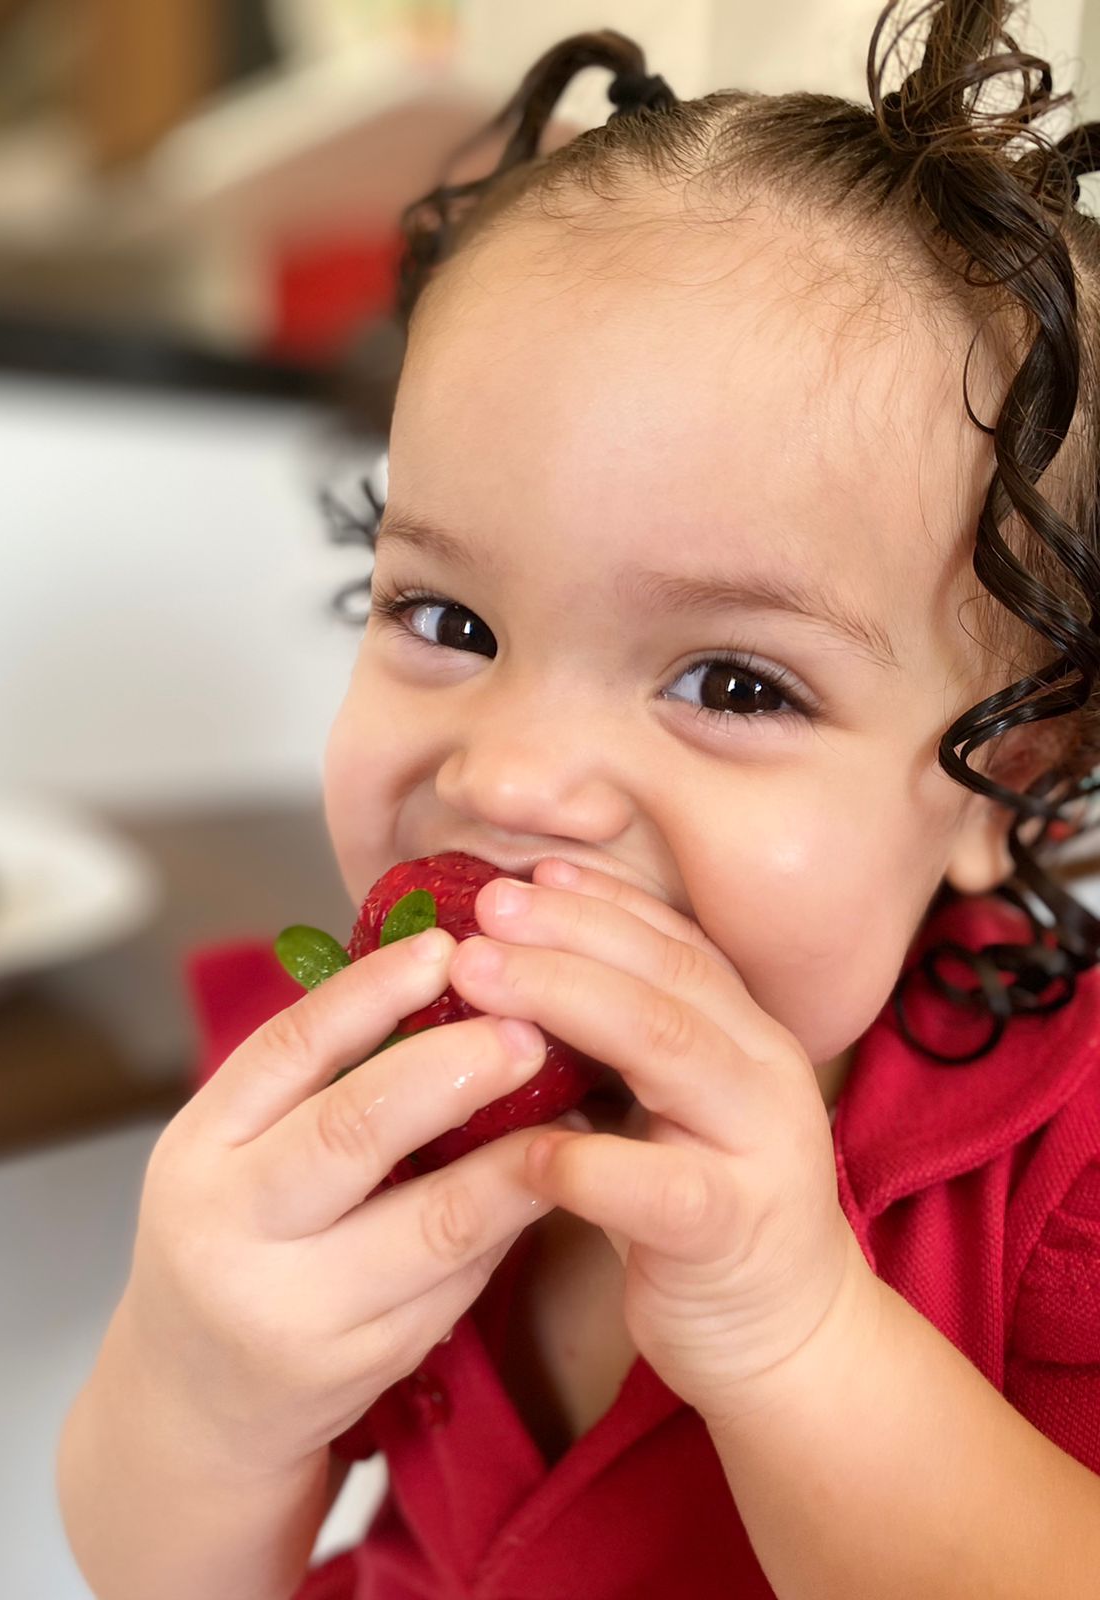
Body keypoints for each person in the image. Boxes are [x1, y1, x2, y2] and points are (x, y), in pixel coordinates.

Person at [56, 2, 1100, 1595]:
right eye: (448, 621)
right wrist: (199, 1385)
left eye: (738, 685)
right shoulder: (334, 1078)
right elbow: (161, 1572)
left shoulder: (1063, 1164)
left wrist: (796, 1332)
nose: (512, 776)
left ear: (1002, 775)